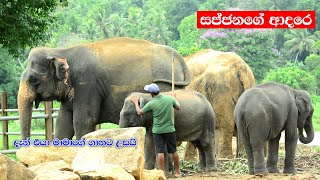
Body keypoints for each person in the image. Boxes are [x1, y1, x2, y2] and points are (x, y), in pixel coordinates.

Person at [131, 83, 183, 178]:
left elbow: (139, 112)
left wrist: (135, 102)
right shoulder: (169, 99)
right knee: (173, 151)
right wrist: (174, 98)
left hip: (157, 131)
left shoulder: (152, 103)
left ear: (151, 94)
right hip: (170, 129)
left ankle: (161, 173)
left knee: (160, 152)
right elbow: (178, 107)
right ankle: (178, 172)